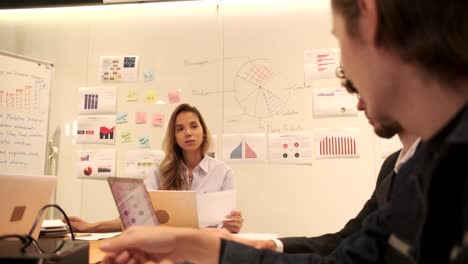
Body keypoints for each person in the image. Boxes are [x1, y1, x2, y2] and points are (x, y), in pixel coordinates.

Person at [99, 0, 468, 263]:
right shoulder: (426, 167)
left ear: (368, 16)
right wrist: (192, 245)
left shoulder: (437, 168)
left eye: (338, 37)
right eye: (180, 129)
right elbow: (350, 254)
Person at [204, 66, 420, 254]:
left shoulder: (441, 166)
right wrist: (271, 245)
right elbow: (346, 239)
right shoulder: (391, 167)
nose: (360, 106)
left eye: (366, 92)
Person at [68, 103, 243, 234]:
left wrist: (233, 226)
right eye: (180, 129)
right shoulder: (161, 172)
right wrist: (90, 226)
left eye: (194, 126)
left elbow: (227, 228)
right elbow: (136, 218)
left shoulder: (223, 172)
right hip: (168, 252)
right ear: (174, 137)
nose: (188, 133)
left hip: (206, 252)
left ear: (204, 132)